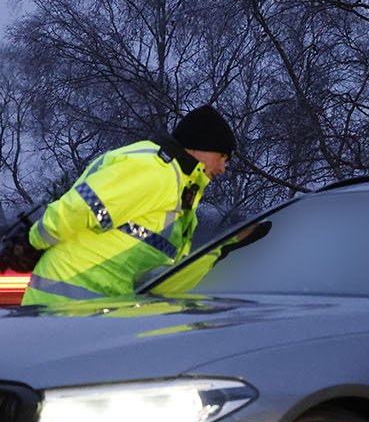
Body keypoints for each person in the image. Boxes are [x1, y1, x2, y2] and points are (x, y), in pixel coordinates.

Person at [12, 106, 235, 306]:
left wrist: (221, 251)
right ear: (200, 146)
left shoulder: (180, 191)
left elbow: (163, 276)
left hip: (97, 310)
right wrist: (32, 243)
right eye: (222, 156)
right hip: (64, 306)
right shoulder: (154, 170)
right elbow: (80, 209)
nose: (223, 168)